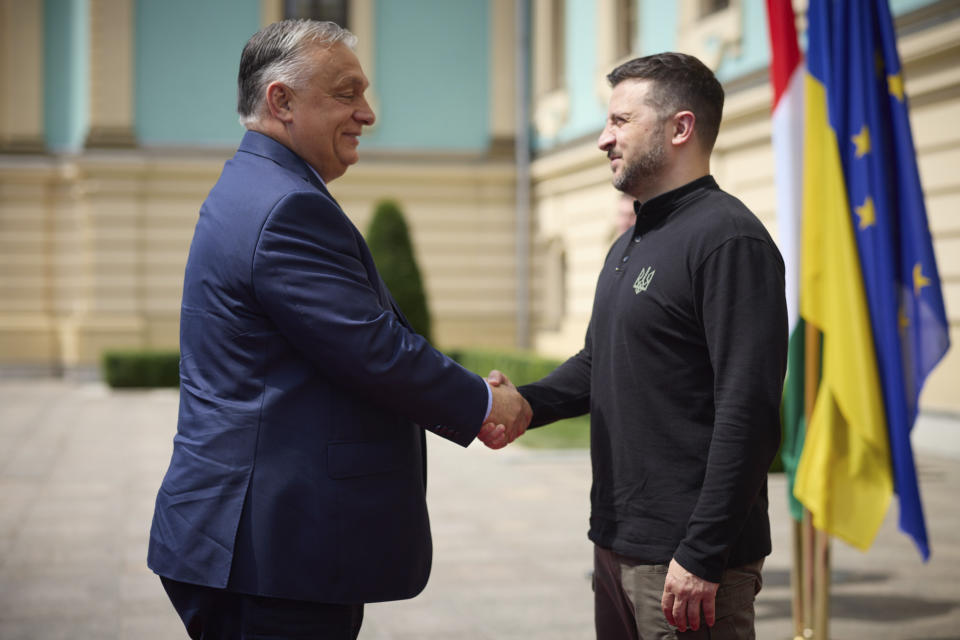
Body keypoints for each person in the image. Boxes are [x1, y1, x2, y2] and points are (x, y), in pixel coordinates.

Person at [147, 19, 530, 640]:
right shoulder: (287, 206)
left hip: (246, 539)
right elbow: (373, 349)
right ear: (281, 101)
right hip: (270, 551)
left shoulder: (256, 185)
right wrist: (485, 401)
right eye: (346, 93)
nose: (368, 113)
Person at [491, 53, 787, 639]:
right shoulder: (634, 240)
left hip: (690, 563)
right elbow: (599, 364)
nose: (603, 138)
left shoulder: (729, 240)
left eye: (621, 121)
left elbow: (748, 410)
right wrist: (524, 404)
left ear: (680, 128)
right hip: (617, 543)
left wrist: (703, 552)